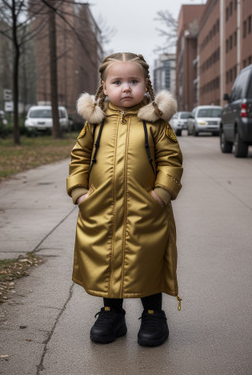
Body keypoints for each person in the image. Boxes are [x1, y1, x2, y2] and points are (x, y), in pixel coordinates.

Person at [66, 52, 183, 347]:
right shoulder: (95, 123)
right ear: (104, 88)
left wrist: (161, 193)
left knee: (146, 258)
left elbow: (171, 159)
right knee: (107, 258)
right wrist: (80, 193)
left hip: (146, 209)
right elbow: (79, 157)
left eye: (134, 81)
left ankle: (154, 313)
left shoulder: (155, 123)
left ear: (146, 85)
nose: (126, 88)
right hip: (100, 207)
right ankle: (111, 313)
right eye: (117, 82)